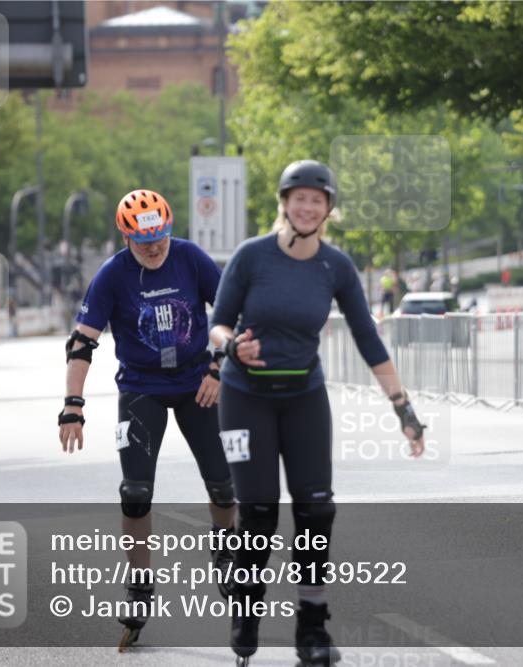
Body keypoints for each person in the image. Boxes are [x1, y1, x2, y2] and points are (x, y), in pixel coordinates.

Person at [209, 160, 427, 667]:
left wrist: (403, 407)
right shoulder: (252, 256)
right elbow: (217, 324)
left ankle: (312, 628)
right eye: (299, 198)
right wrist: (231, 346)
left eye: (317, 199)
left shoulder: (336, 267)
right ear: (284, 203)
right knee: (259, 514)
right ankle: (246, 608)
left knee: (316, 510)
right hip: (245, 398)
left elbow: (368, 338)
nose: (307, 207)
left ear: (328, 209)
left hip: (303, 396)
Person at [57, 189, 236, 651]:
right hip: (142, 388)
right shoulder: (113, 274)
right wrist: (73, 405)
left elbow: (229, 316)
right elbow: (81, 342)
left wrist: (218, 367)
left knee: (223, 485)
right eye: (143, 242)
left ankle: (226, 552)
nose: (155, 248)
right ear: (126, 237)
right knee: (135, 494)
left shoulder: (190, 258)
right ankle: (139, 589)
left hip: (197, 382)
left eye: (160, 239)